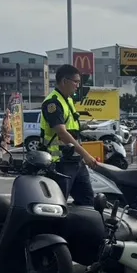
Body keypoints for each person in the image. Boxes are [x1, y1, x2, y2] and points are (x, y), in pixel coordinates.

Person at [39, 64, 98, 205]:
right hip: (60, 162)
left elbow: (70, 126)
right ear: (64, 81)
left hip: (75, 160)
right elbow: (62, 133)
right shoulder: (53, 103)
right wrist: (86, 155)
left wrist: (86, 125)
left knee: (88, 201)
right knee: (58, 203)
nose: (78, 85)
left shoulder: (69, 100)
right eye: (75, 82)